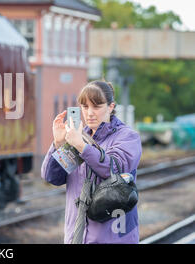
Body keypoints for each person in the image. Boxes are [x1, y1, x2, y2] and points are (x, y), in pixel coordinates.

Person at [41, 80, 142, 244]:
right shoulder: (77, 137)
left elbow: (114, 170)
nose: (89, 113)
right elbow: (51, 177)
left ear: (110, 106)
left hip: (114, 238)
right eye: (85, 106)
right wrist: (58, 144)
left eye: (97, 106)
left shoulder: (127, 137)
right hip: (77, 236)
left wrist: (81, 146)